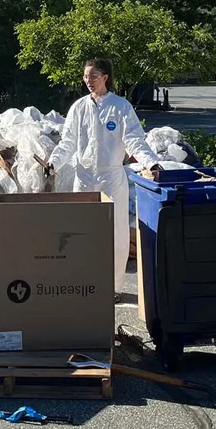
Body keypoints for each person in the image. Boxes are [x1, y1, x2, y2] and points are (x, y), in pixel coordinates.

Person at [47, 58, 162, 301]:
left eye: (94, 76)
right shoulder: (78, 107)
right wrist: (53, 162)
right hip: (84, 177)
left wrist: (150, 162)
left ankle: (113, 287)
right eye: (86, 77)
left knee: (116, 232)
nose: (88, 81)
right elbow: (67, 142)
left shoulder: (120, 107)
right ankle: (82, 282)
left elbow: (134, 140)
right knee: (80, 231)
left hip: (111, 177)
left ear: (105, 77)